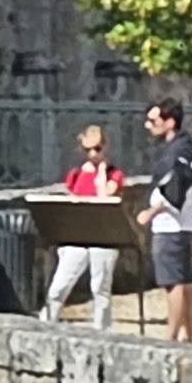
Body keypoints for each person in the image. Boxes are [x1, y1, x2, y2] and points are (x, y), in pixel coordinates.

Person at [141, 95, 192, 342]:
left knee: (173, 282)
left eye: (153, 121)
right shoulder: (188, 148)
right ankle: (186, 334)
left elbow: (176, 187)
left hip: (170, 225)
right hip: (183, 223)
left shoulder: (178, 152)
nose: (148, 126)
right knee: (184, 280)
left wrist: (150, 212)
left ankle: (171, 336)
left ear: (170, 122)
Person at [46, 121, 125, 324]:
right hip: (77, 236)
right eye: (87, 150)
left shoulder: (114, 174)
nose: (92, 154)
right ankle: (47, 324)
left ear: (105, 147)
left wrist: (101, 174)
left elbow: (105, 199)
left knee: (100, 290)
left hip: (104, 237)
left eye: (97, 149)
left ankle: (101, 331)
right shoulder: (76, 174)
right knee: (58, 288)